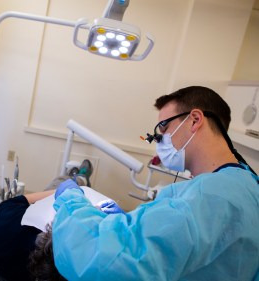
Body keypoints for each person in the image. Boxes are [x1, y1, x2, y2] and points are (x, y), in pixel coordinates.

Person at [51, 86, 259, 280]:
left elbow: (103, 258)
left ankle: (75, 179)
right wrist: (132, 224)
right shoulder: (246, 181)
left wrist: (70, 199)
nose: (160, 140)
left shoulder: (211, 195)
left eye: (163, 127)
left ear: (195, 120)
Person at [0, 160, 98, 281]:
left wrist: (68, 192)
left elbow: (33, 198)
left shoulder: (7, 211)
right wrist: (74, 193)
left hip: (4, 273)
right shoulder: (62, 255)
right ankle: (80, 180)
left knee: (57, 186)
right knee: (60, 183)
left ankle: (75, 179)